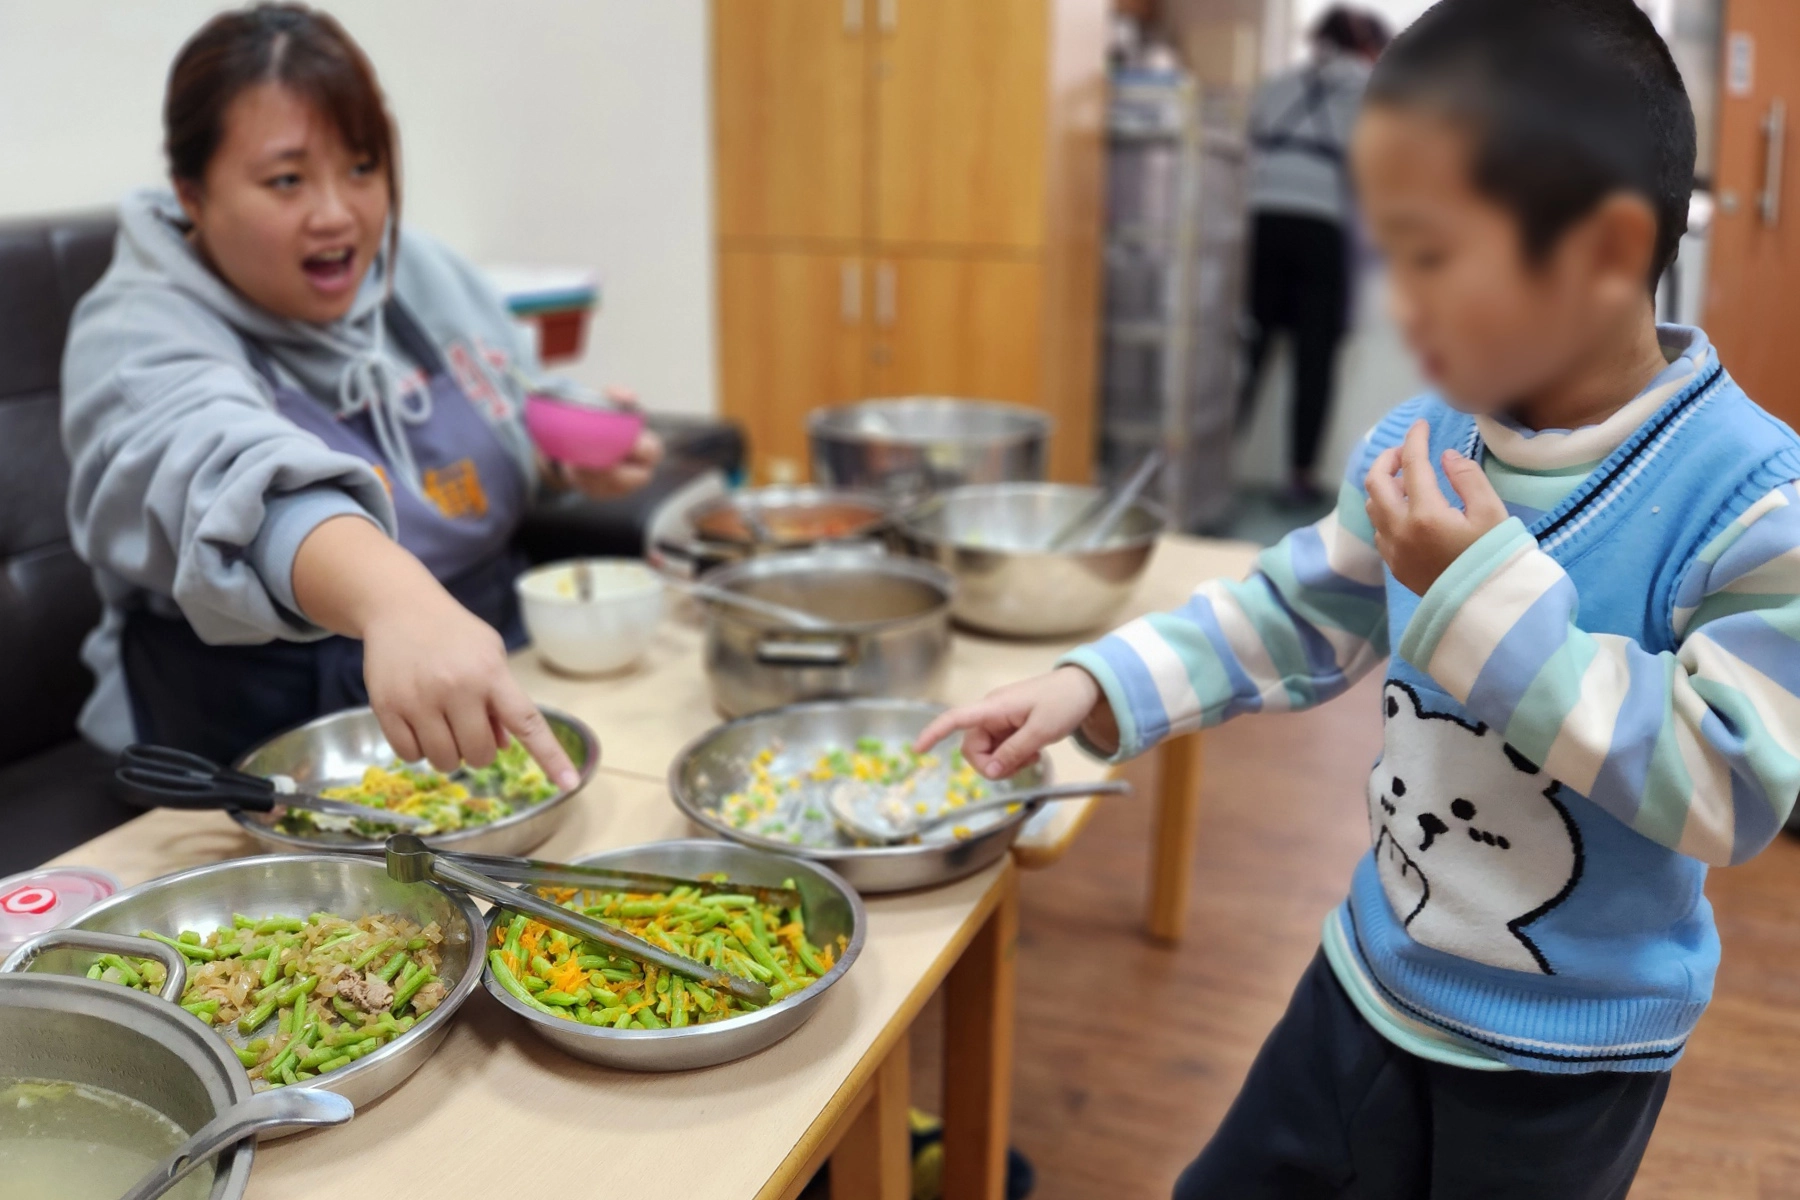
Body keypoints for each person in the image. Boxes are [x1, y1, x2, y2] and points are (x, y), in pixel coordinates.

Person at [919, 1, 1800, 1194]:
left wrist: (1481, 596)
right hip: (1368, 976)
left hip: (1565, 1064)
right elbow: (1294, 613)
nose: (1403, 306)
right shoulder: (1422, 442)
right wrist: (1096, 681)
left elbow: (1732, 787)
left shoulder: (1751, 498)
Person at [62, 4, 663, 784]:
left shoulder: (419, 274)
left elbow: (511, 388)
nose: (338, 214)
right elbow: (225, 476)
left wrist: (572, 448)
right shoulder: (135, 332)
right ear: (191, 195)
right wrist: (396, 604)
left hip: (500, 686)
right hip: (262, 747)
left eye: (362, 168)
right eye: (287, 180)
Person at [1238, 5, 1389, 507]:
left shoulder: (1278, 83)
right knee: (1314, 357)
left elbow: (1251, 139)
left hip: (1261, 222)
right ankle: (1299, 477)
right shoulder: (1367, 86)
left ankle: (1212, 466)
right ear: (1367, 46)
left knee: (1248, 347)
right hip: (1319, 226)